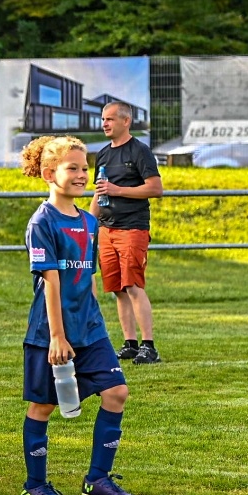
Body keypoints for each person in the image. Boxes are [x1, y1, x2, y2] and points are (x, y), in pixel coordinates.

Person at [20, 135, 138, 495]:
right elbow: (51, 280)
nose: (82, 174)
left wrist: (91, 321)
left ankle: (97, 479)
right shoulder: (42, 221)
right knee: (44, 407)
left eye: (85, 168)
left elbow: (84, 279)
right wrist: (58, 335)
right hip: (50, 332)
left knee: (117, 393)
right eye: (73, 168)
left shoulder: (89, 222)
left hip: (90, 329)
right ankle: (35, 484)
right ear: (48, 173)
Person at [92, 100, 163, 364]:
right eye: (103, 119)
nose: (104, 124)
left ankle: (149, 346)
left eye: (110, 119)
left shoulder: (140, 151)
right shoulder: (103, 154)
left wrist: (118, 190)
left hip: (132, 227)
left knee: (133, 284)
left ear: (125, 121)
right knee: (117, 289)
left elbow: (155, 189)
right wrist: (90, 226)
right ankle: (130, 343)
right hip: (106, 230)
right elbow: (99, 194)